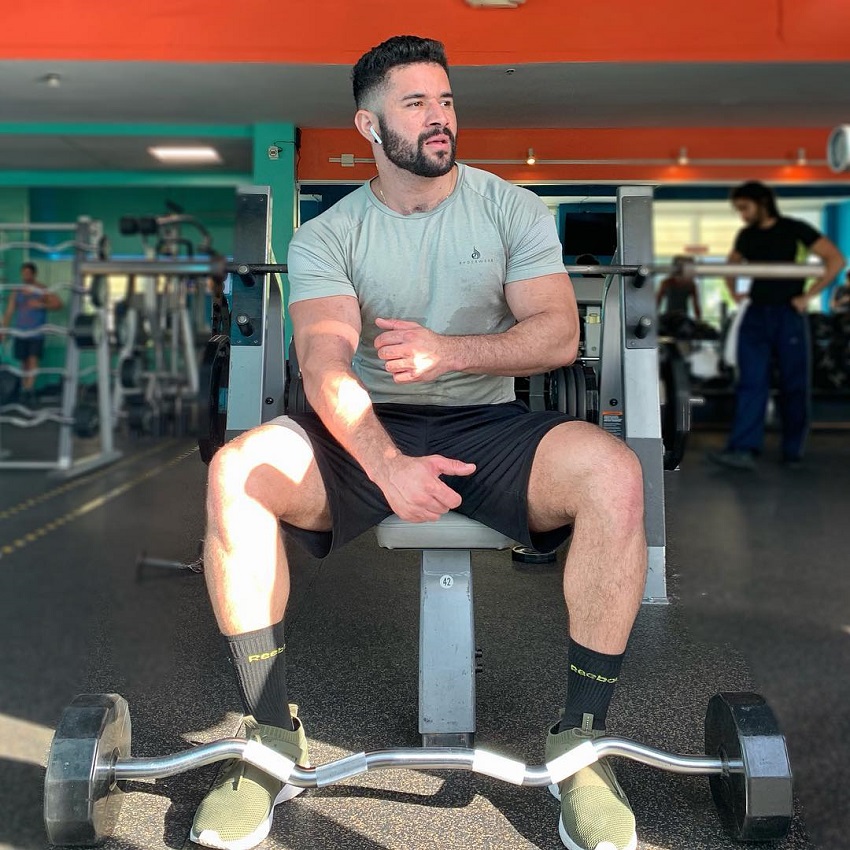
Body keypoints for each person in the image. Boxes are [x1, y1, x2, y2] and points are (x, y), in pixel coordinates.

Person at [192, 36, 646, 850]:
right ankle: (267, 735)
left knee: (612, 472)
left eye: (446, 102)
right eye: (416, 104)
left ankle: (582, 740)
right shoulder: (328, 236)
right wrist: (386, 463)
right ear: (368, 125)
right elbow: (324, 361)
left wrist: (454, 351)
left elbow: (555, 335)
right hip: (370, 423)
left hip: (489, 421)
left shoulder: (510, 207)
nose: (440, 120)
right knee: (238, 472)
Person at [709, 181, 844, 470]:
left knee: (793, 385)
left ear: (762, 203)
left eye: (745, 208)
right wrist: (733, 292)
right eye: (738, 209)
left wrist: (808, 296)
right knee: (751, 383)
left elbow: (835, 260)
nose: (742, 215)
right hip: (757, 314)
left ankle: (792, 450)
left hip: (788, 314)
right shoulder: (746, 235)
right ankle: (744, 450)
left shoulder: (795, 229)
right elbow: (729, 266)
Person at [0, 262, 62, 406]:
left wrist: (40, 304)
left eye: (28, 273)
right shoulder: (17, 291)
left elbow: (58, 304)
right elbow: (9, 312)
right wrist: (3, 330)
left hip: (36, 332)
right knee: (24, 362)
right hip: (20, 332)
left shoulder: (42, 289)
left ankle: (29, 389)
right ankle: (24, 389)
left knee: (33, 360)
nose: (26, 276)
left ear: (34, 274)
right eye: (24, 273)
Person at [656, 255, 701, 321]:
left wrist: (699, 321)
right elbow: (658, 301)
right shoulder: (667, 283)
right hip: (669, 318)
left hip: (683, 318)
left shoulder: (690, 284)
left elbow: (696, 305)